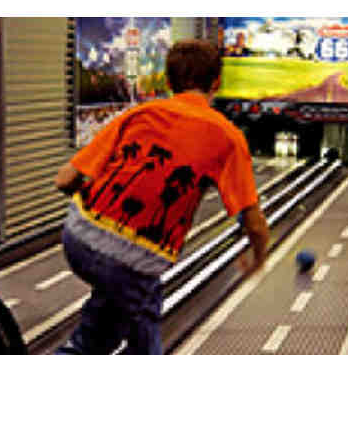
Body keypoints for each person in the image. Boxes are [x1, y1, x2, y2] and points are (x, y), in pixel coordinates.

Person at [54, 39, 270, 355]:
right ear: (216, 83)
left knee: (135, 310)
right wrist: (259, 259)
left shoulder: (139, 113)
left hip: (76, 240)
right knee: (102, 341)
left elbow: (64, 179)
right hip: (133, 261)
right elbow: (254, 222)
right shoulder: (227, 136)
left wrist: (95, 213)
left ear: (168, 82)